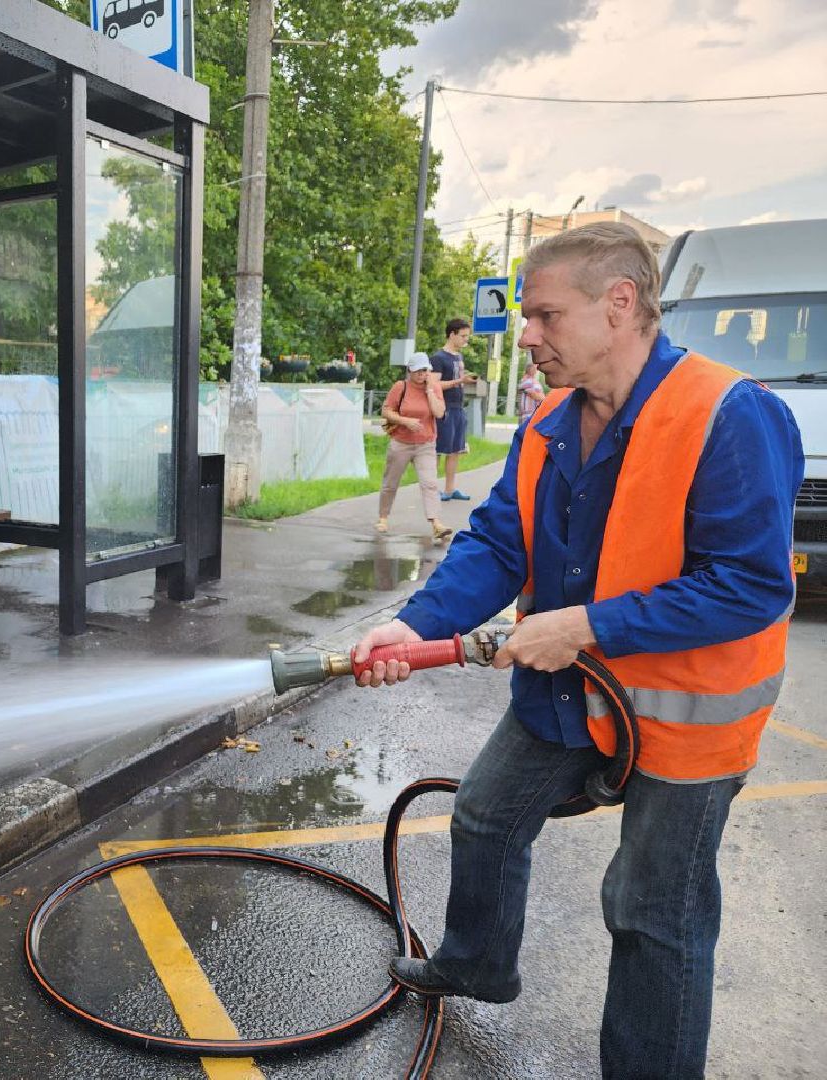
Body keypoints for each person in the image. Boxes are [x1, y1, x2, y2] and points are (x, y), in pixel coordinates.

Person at [352, 222, 803, 1079]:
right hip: (568, 692)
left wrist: (587, 626)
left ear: (620, 305)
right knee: (485, 817)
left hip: (684, 720)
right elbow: (496, 542)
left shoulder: (731, 414)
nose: (527, 336)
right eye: (528, 317)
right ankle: (478, 964)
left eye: (547, 316)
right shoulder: (553, 418)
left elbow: (750, 585)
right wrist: (415, 626)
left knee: (650, 913)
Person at [376, 352, 452, 541]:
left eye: (425, 370)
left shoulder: (434, 387)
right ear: (410, 370)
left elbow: (439, 413)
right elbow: (386, 410)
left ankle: (435, 523)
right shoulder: (400, 387)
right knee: (391, 483)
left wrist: (429, 391)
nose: (422, 373)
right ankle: (383, 518)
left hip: (425, 444)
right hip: (401, 442)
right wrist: (405, 421)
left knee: (430, 483)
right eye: (418, 370)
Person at [430, 318, 478, 501]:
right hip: (445, 409)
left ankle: (450, 489)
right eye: (463, 336)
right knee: (439, 450)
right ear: (452, 334)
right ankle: (432, 489)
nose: (466, 340)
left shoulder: (458, 357)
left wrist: (464, 379)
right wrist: (460, 381)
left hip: (458, 408)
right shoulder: (438, 358)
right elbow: (434, 385)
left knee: (455, 450)